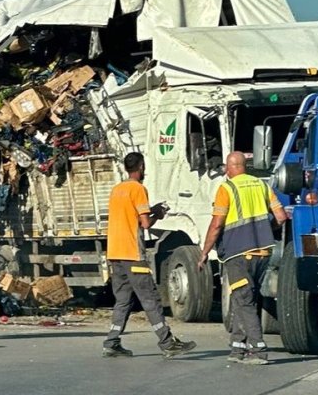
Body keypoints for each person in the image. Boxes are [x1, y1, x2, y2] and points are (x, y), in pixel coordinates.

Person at [197, 152, 289, 365]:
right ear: (244, 166)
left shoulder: (226, 188)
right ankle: (238, 347)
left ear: (229, 168)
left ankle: (258, 349)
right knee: (245, 298)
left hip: (238, 254)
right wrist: (267, 228)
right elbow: (281, 217)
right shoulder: (261, 185)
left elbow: (217, 224)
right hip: (264, 252)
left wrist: (204, 252)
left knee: (243, 299)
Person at [102, 152, 196, 358]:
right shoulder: (138, 189)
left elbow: (130, 215)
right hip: (132, 253)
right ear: (141, 167)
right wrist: (158, 214)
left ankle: (111, 341)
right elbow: (144, 223)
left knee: (123, 300)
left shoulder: (117, 190)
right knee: (150, 298)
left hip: (115, 253)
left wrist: (150, 210)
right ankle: (167, 342)